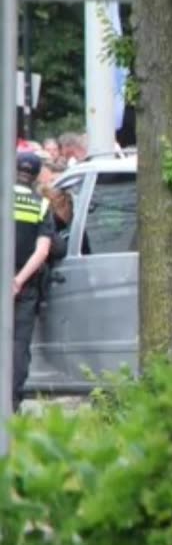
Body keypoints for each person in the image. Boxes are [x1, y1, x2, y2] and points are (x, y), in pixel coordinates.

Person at [12, 152, 55, 412]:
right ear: (36, 176)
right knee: (19, 343)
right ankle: (11, 400)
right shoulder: (41, 206)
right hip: (24, 285)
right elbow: (43, 251)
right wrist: (17, 282)